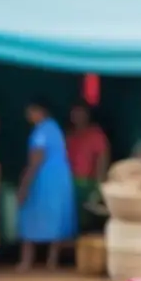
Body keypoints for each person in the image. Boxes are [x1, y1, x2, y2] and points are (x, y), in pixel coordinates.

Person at [17, 100, 77, 272]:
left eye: (30, 111)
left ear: (39, 111)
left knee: (30, 217)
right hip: (59, 180)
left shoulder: (42, 131)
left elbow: (36, 159)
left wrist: (24, 184)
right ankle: (52, 261)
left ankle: (26, 262)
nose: (28, 116)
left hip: (45, 181)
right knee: (56, 218)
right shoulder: (55, 128)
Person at [66, 102, 110, 233]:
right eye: (74, 113)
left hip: (88, 183)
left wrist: (99, 183)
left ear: (87, 115)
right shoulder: (70, 135)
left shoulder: (95, 134)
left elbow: (103, 157)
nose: (77, 117)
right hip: (70, 183)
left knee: (87, 221)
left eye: (80, 113)